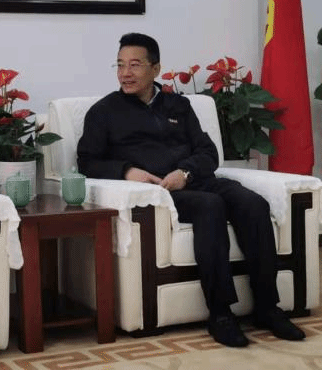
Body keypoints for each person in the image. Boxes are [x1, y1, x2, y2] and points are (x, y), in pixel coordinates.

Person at [76, 32, 305, 348]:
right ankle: (220, 313)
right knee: (210, 206)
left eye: (135, 65)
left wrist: (186, 172)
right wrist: (127, 171)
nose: (125, 73)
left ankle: (267, 307)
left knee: (253, 204)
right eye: (120, 65)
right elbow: (87, 161)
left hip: (193, 180)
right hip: (159, 193)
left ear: (156, 68)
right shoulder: (104, 112)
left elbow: (208, 152)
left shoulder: (178, 105)